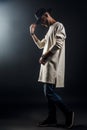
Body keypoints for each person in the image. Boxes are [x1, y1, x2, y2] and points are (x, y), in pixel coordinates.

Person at [29, 8, 74, 128]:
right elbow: (41, 45)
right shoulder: (50, 29)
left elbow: (58, 44)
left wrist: (44, 56)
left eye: (42, 20)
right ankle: (52, 118)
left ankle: (68, 113)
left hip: (53, 65)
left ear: (46, 14)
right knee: (49, 93)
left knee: (48, 92)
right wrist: (32, 34)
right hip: (47, 65)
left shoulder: (59, 26)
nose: (42, 23)